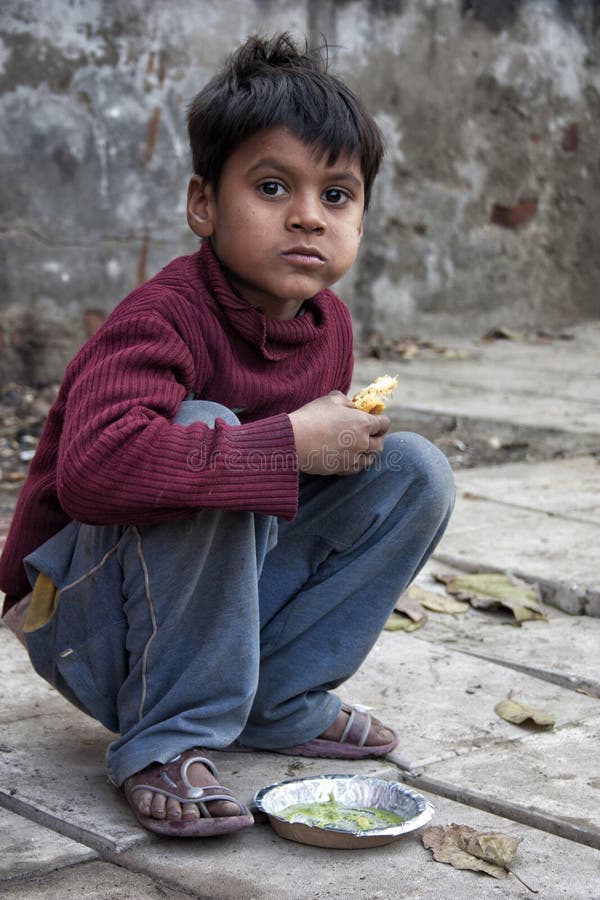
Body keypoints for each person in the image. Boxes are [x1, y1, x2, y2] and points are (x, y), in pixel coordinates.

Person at [0, 32, 454, 838]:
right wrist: (285, 444)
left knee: (414, 468)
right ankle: (166, 736)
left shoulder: (328, 326)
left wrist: (319, 450)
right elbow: (97, 476)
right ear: (204, 203)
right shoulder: (163, 317)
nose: (309, 217)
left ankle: (276, 696)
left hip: (207, 609)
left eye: (338, 196)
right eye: (274, 186)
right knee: (209, 429)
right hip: (80, 613)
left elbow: (298, 497)